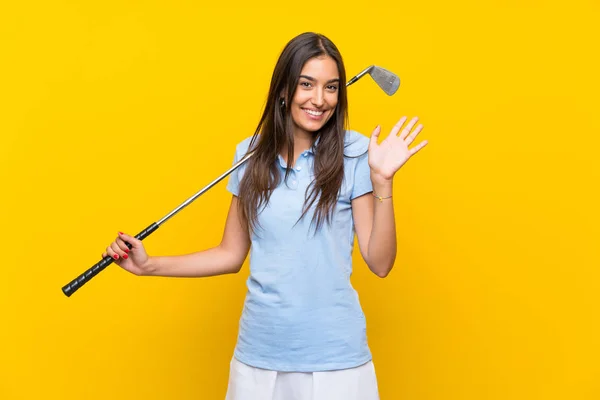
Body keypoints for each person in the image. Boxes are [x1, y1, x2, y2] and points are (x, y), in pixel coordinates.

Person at [102, 32, 428, 400]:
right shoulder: (250, 155)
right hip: (259, 359)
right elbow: (230, 254)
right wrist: (149, 266)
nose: (320, 100)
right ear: (284, 89)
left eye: (331, 87)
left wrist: (383, 181)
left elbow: (380, 262)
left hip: (336, 360)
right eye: (307, 84)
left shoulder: (356, 152)